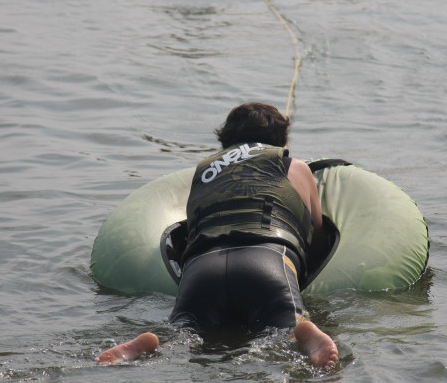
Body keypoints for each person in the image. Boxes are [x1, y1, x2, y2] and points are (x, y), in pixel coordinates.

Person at [95, 103, 338, 369]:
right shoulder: (294, 167)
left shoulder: (203, 172)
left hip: (202, 267)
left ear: (224, 138)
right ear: (282, 139)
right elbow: (319, 237)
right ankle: (302, 332)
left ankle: (153, 341)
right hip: (269, 259)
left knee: (185, 329)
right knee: (284, 326)